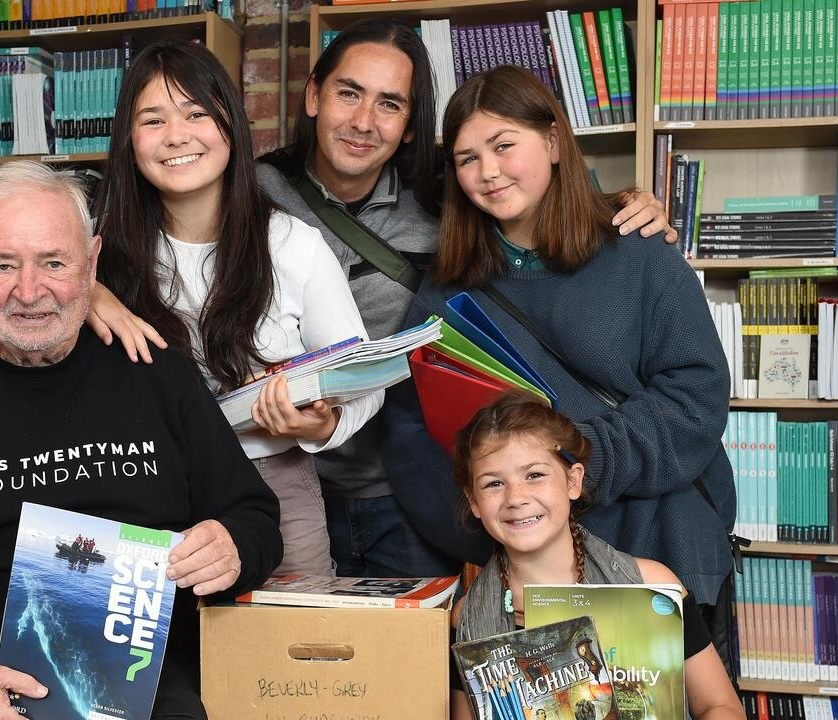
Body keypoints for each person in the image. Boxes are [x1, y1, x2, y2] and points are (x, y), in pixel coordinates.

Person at [0, 160, 283, 720]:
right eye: (3, 265)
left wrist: (233, 546)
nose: (29, 291)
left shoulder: (159, 377)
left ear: (91, 262)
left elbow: (253, 517)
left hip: (133, 691)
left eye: (54, 263)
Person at [255, 18, 675, 578]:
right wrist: (102, 295)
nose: (363, 121)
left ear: (409, 125)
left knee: (418, 661)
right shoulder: (246, 195)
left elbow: (526, 189)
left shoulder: (441, 198)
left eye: (389, 104)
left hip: (400, 495)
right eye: (348, 93)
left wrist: (621, 207)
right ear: (314, 95)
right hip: (279, 481)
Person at [385, 65, 734, 647]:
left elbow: (695, 394)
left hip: (662, 539)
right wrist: (503, 518)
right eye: (467, 159)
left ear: (551, 140)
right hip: (526, 574)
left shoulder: (638, 249)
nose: (487, 173)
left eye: (503, 146)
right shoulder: (446, 293)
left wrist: (578, 463)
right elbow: (409, 434)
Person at [92, 40, 373, 576]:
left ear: (230, 124)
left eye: (196, 113)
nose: (176, 136)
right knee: (168, 660)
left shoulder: (293, 245)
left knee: (289, 652)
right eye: (153, 120)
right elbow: (9, 278)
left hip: (276, 488)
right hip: (143, 491)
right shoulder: (101, 253)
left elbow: (366, 378)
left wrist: (319, 426)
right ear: (128, 140)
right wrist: (86, 291)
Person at [448, 391, 743, 720]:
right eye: (493, 484)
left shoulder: (652, 587)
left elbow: (722, 707)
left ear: (573, 481)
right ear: (473, 501)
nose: (516, 497)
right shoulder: (466, 618)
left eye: (534, 475)